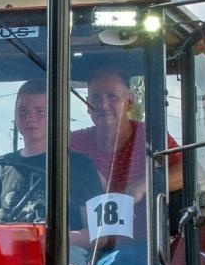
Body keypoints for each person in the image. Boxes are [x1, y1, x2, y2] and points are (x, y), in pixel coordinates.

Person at [0, 79, 104, 227]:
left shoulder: (80, 166)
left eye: (40, 111)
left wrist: (47, 239)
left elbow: (96, 235)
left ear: (55, 116)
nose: (30, 118)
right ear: (14, 115)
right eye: (23, 112)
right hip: (5, 249)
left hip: (63, 249)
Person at [69, 65, 183, 194]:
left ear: (129, 101)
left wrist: (144, 185)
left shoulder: (151, 136)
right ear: (88, 104)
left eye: (112, 96)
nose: (103, 105)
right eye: (96, 98)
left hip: (148, 214)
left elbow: (187, 171)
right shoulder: (75, 144)